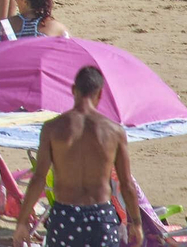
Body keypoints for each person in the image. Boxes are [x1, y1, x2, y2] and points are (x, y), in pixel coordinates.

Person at [11, 67, 141, 247]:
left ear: (73, 90)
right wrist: (136, 223)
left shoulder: (52, 128)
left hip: (65, 217)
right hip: (101, 218)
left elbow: (39, 178)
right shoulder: (114, 131)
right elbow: (126, 184)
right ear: (100, 94)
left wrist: (22, 222)